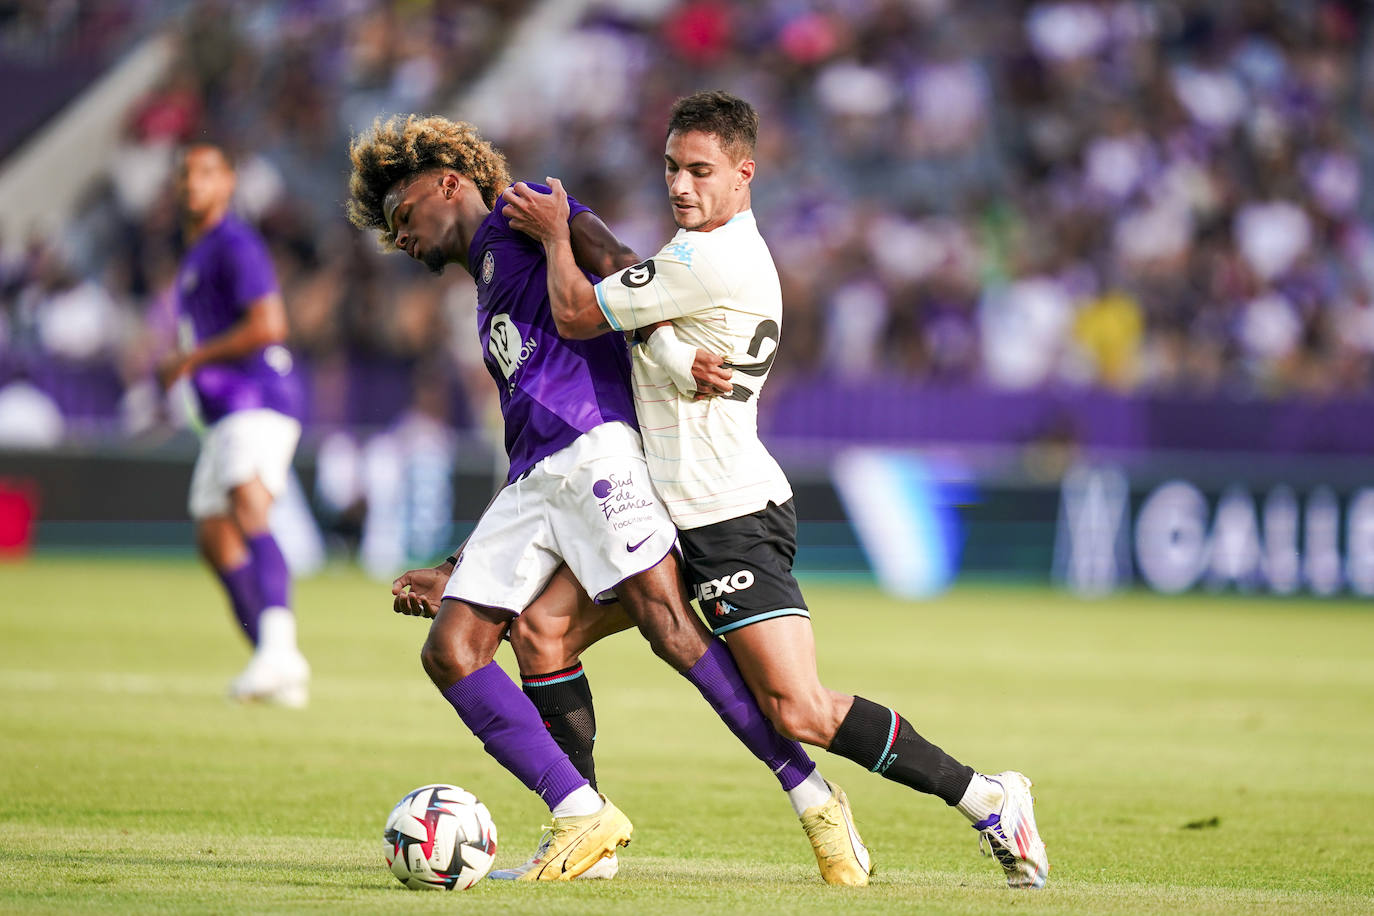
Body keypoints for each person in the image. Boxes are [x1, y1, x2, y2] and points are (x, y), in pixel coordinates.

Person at [503, 89, 1050, 889]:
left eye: (700, 171)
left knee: (801, 709)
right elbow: (637, 288)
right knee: (543, 634)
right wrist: (671, 353)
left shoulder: (709, 259)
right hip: (660, 513)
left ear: (744, 174)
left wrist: (555, 234)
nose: (680, 186)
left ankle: (990, 798)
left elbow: (582, 309)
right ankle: (588, 830)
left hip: (728, 517)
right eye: (670, 168)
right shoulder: (697, 254)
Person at [346, 115, 870, 884]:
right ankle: (581, 814)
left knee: (672, 630)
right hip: (536, 477)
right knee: (454, 649)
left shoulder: (527, 210)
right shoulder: (486, 284)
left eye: (402, 216)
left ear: (446, 182)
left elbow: (623, 266)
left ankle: (814, 798)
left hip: (598, 451)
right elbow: (526, 431)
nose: (402, 238)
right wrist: (462, 563)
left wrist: (675, 347)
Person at [157, 142, 309, 707]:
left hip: (257, 396)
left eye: (205, 173)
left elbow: (270, 323)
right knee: (214, 536)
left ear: (228, 182)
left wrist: (189, 361)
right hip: (225, 410)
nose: (192, 183)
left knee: (248, 508)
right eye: (184, 174)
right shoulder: (196, 251)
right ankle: (276, 667)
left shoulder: (234, 241)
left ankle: (279, 651)